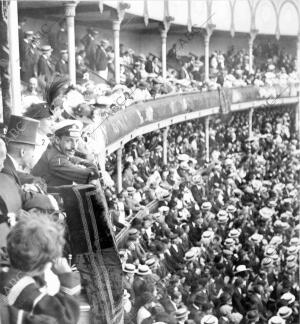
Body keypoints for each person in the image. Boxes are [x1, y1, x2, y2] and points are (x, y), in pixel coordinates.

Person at [0, 213, 81, 324]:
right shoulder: (22, 289)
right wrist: (67, 279)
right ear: (45, 265)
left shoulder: (7, 273)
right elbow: (65, 319)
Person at [32, 120, 99, 187]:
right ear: (57, 140)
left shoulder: (56, 152)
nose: (74, 147)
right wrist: (92, 168)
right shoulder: (56, 160)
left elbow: (72, 158)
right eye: (69, 141)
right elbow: (91, 174)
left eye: (77, 141)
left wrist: (82, 162)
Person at [3, 115, 40, 186]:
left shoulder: (6, 164)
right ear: (22, 152)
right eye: (32, 151)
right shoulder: (7, 170)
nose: (33, 155)